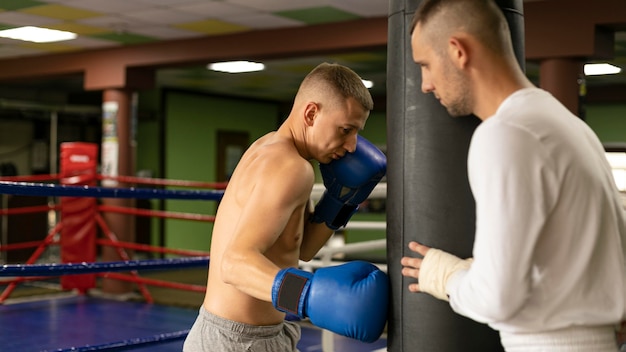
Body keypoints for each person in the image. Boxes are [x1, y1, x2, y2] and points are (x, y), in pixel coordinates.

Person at [400, 0, 626, 351]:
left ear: (458, 51)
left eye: (425, 65)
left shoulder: (504, 134)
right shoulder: (570, 126)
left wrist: (447, 277)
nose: (425, 84)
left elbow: (497, 298)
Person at [183, 62, 389, 352]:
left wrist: (341, 200)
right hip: (239, 341)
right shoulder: (291, 168)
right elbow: (233, 264)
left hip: (248, 335)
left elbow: (299, 249)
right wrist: (307, 296)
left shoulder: (274, 150)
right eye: (345, 130)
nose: (353, 145)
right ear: (311, 113)